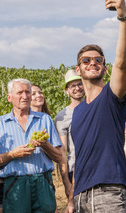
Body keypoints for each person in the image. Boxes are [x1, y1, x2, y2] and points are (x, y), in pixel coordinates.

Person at [66, 0, 126, 212]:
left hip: (109, 193)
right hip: (81, 195)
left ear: (104, 67)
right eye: (86, 60)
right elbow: (80, 157)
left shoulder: (112, 96)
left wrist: (123, 17)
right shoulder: (77, 112)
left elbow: (122, 63)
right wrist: (71, 198)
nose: (92, 63)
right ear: (78, 69)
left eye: (98, 60)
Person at [0, 78, 63, 213]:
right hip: (16, 184)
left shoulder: (44, 119)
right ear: (9, 97)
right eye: (20, 92)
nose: (25, 96)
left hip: (42, 182)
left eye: (28, 92)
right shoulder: (0, 123)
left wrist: (45, 145)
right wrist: (12, 154)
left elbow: (59, 156)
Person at [54, 69, 85, 198]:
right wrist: (66, 183)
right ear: (67, 90)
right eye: (73, 86)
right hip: (76, 169)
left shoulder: (95, 107)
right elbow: (63, 151)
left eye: (80, 84)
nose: (77, 88)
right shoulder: (62, 117)